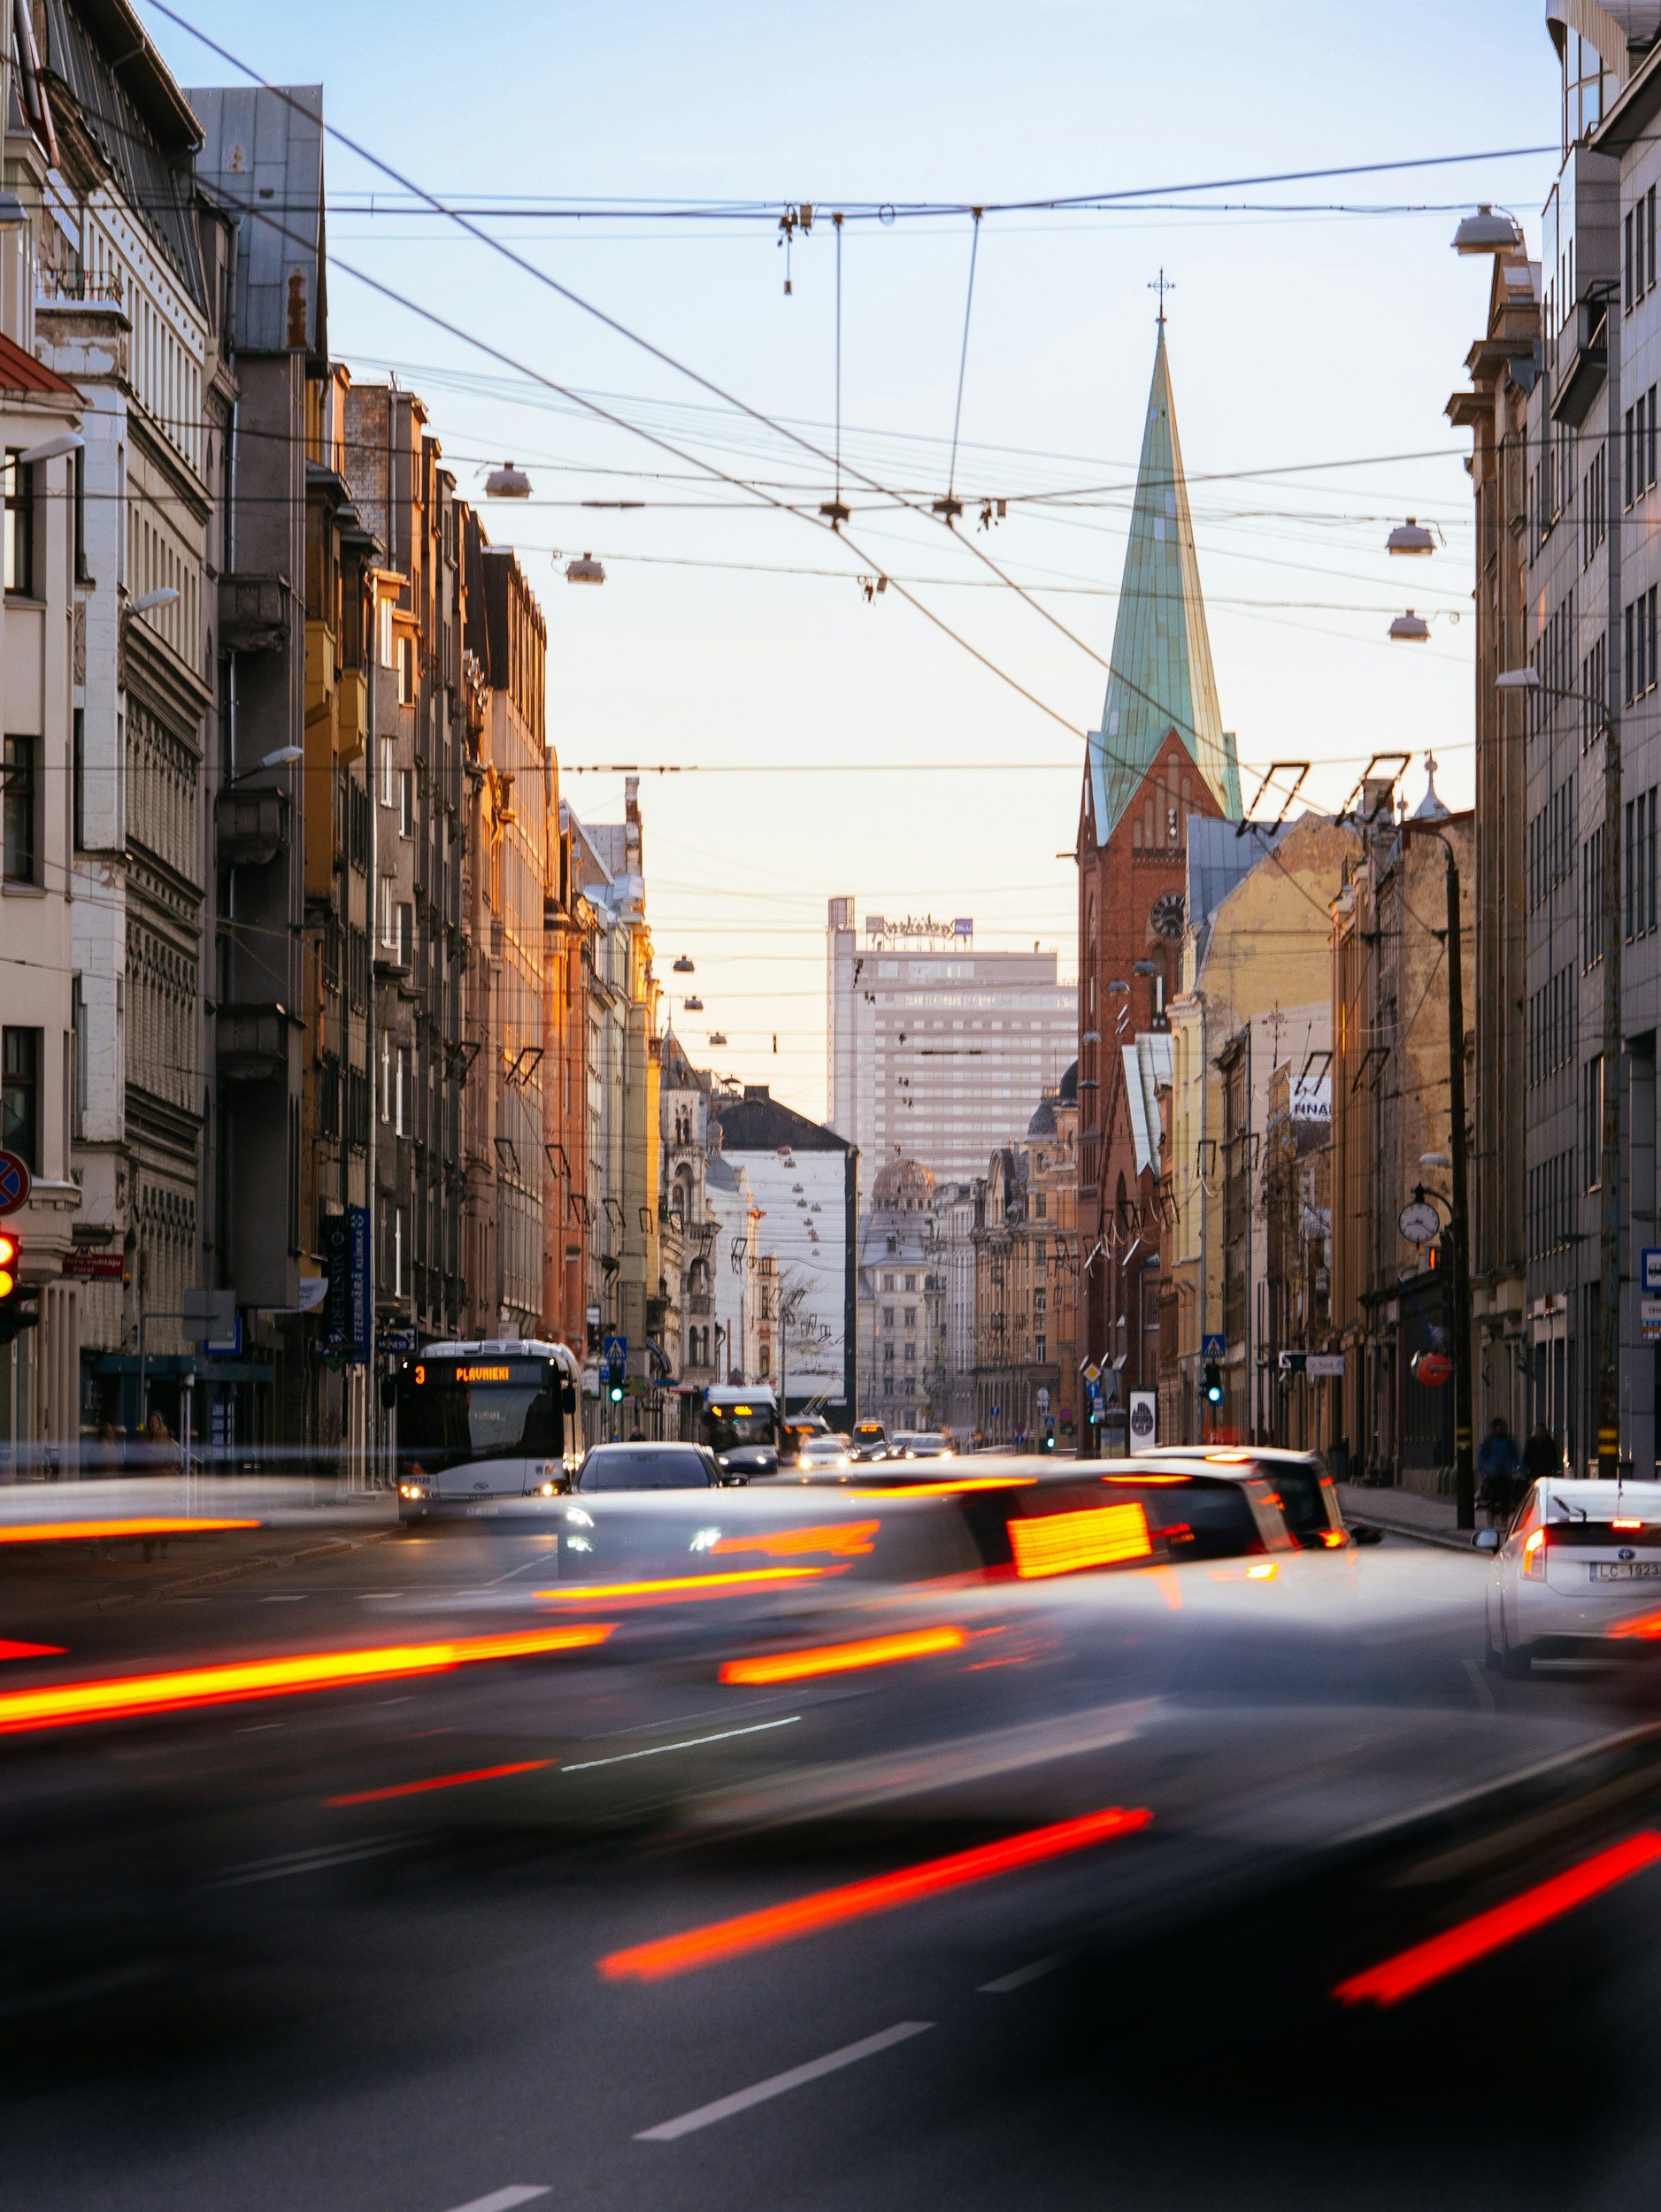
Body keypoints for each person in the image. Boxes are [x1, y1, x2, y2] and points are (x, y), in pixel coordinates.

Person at [1477, 1416, 1523, 1525]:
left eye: (1501, 1427)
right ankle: (1492, 1520)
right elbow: (1482, 1456)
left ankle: (1503, 1521)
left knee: (1506, 1499)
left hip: (1506, 1473)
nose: (1500, 1430)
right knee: (1493, 1499)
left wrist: (1519, 1468)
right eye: (1498, 1428)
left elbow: (1515, 1456)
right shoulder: (1489, 1442)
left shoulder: (1508, 1441)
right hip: (1493, 1474)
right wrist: (1484, 1468)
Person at [1522, 1420, 1559, 1489]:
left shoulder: (1549, 1442)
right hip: (1535, 1471)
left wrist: (1555, 1467)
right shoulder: (1532, 1442)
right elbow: (1527, 1456)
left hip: (1545, 1470)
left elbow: (1553, 1455)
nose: (1540, 1433)